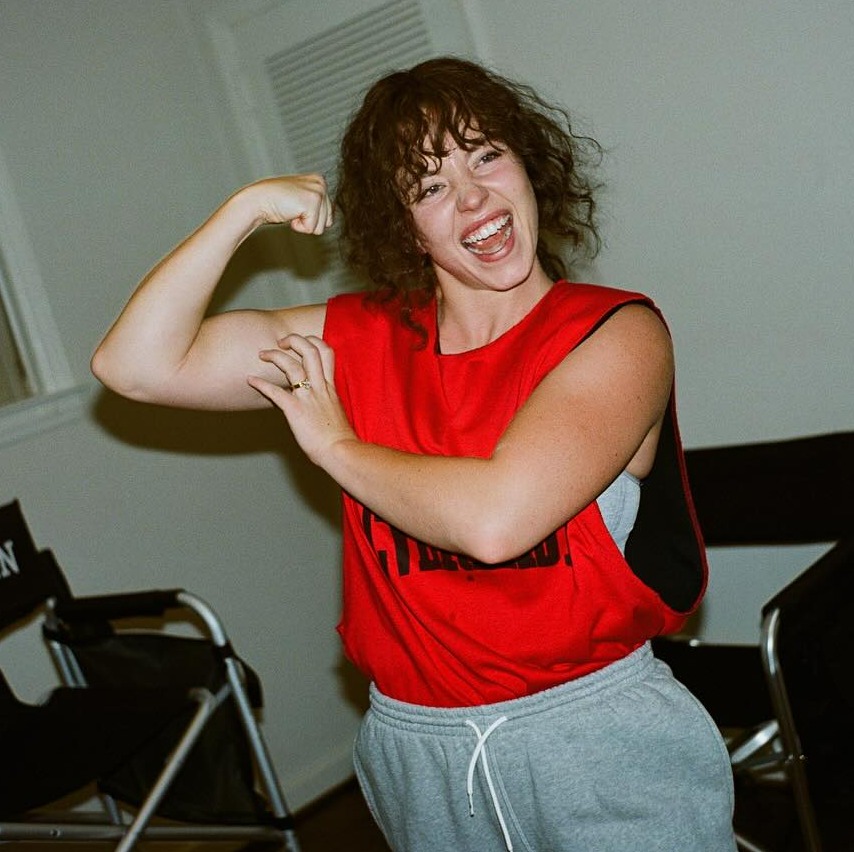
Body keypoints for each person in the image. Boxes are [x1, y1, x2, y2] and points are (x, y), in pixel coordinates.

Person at [92, 57, 736, 852]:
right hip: (417, 750)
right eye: (428, 186)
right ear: (404, 225)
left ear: (529, 164)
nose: (471, 197)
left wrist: (334, 445)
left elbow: (496, 522)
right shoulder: (355, 338)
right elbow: (135, 367)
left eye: (485, 154)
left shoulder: (616, 334)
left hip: (593, 735)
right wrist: (241, 212)